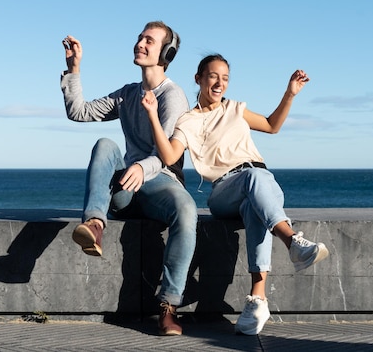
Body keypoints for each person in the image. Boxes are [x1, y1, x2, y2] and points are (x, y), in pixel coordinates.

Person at [141, 54, 329, 335]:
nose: (219, 83)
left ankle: (257, 298)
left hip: (260, 182)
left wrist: (290, 94)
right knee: (254, 179)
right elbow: (168, 155)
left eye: (225, 78)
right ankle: (292, 241)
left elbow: (271, 126)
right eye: (213, 76)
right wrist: (153, 115)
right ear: (199, 79)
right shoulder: (188, 120)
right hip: (224, 191)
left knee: (256, 201)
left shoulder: (235, 108)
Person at [60, 21, 197, 336]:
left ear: (166, 52)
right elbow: (79, 112)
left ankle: (168, 308)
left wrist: (142, 168)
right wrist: (73, 69)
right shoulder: (126, 94)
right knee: (106, 145)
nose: (141, 43)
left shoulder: (173, 95)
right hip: (127, 190)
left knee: (187, 210)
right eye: (140, 38)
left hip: (161, 182)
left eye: (150, 40)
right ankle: (95, 225)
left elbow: (168, 153)